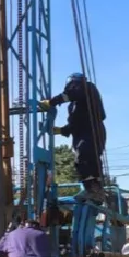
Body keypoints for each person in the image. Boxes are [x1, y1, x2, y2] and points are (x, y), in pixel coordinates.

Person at [39, 72, 107, 200]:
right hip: (82, 132)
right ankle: (90, 189)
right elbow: (75, 123)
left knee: (85, 155)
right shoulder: (75, 105)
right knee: (80, 160)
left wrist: (52, 102)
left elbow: (72, 94)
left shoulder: (88, 88)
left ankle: (95, 190)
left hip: (92, 130)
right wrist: (62, 130)